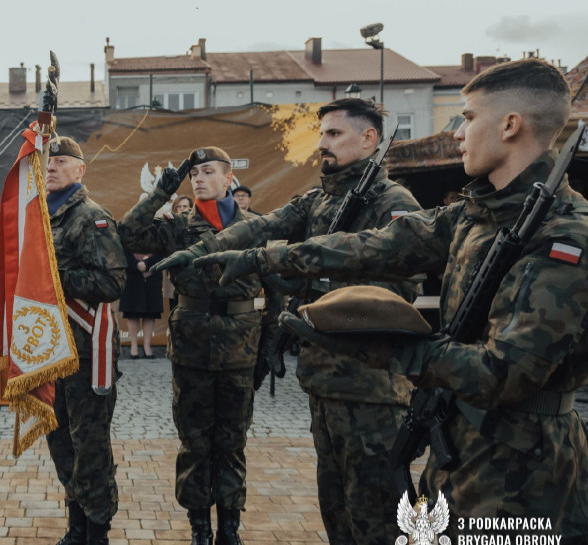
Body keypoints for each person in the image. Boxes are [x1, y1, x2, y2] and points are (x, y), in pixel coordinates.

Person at [190, 58, 588, 544]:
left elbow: (504, 373)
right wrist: (262, 258)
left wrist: (384, 346)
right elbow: (377, 245)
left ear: (510, 125)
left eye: (467, 117)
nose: (458, 133)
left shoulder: (571, 236)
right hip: (462, 456)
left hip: (528, 478)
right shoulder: (478, 213)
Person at [154, 100, 421, 545]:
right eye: (322, 134)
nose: (322, 144)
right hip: (323, 381)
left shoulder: (393, 203)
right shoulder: (319, 199)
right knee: (336, 512)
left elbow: (401, 291)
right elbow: (260, 228)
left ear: (369, 138)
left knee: (376, 515)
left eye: (334, 134)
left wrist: (313, 281)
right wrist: (203, 249)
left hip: (371, 385)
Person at [121, 146, 262, 545]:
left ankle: (229, 528)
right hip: (192, 350)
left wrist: (269, 347)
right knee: (195, 442)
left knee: (232, 442)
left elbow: (274, 285)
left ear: (228, 178)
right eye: (194, 174)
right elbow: (127, 233)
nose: (198, 179)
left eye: (208, 172)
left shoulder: (255, 226)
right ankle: (200, 527)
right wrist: (159, 194)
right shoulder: (178, 226)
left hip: (240, 348)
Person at [38, 136, 125, 545]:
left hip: (86, 350)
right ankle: (75, 528)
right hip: (48, 347)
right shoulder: (40, 216)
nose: (51, 167)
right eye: (48, 161)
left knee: (90, 448)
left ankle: (97, 532)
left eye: (61, 161)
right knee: (60, 444)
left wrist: (53, 277)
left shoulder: (91, 217)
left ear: (80, 169)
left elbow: (112, 282)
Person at [120, 251, 163, 359]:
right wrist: (136, 264)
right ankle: (133, 346)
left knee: (151, 312)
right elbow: (122, 251)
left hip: (153, 273)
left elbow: (162, 251)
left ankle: (147, 346)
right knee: (132, 311)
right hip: (132, 273)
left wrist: (148, 263)